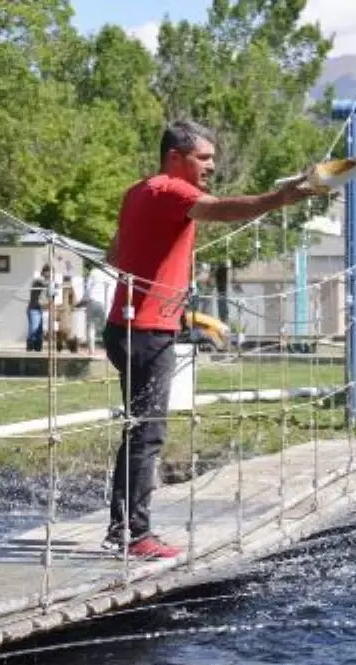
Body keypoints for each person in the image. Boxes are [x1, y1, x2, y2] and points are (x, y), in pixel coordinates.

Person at [102, 120, 318, 559]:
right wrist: (281, 199)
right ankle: (133, 535)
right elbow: (221, 209)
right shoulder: (172, 191)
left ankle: (122, 528)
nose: (212, 167)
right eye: (204, 158)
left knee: (138, 431)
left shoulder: (138, 192)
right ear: (175, 157)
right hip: (147, 330)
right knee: (148, 434)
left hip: (124, 326)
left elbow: (114, 254)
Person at [26, 265, 50, 352]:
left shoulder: (48, 283)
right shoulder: (37, 280)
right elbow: (44, 283)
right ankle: (30, 349)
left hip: (40, 309)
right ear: (44, 272)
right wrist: (53, 284)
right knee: (34, 330)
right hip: (33, 309)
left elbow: (48, 295)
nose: (49, 274)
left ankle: (38, 350)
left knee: (39, 331)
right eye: (48, 272)